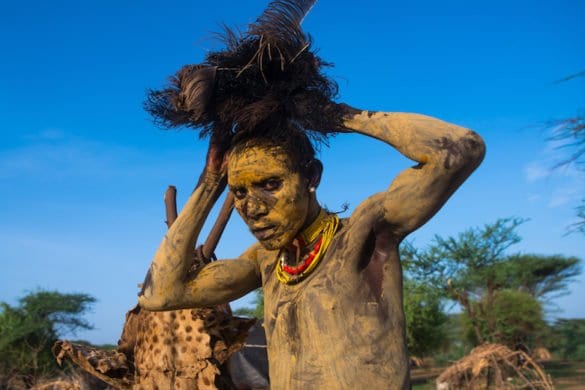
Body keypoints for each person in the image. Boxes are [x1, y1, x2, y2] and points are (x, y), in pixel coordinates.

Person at [139, 102, 485, 388]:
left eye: (270, 184)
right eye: (239, 191)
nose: (252, 208)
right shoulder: (265, 262)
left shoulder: (366, 233)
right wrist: (211, 181)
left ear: (312, 177)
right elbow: (160, 294)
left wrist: (332, 114)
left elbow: (461, 147)